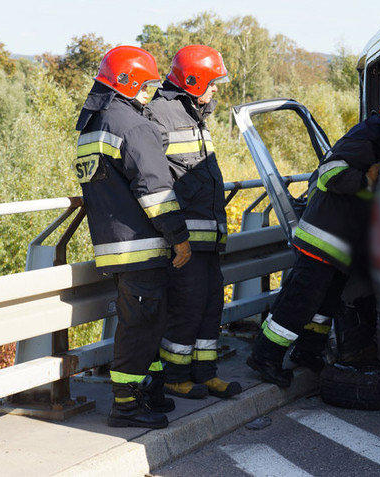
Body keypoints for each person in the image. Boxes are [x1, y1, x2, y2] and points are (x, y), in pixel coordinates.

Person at [74, 45, 192, 428]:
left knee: (147, 321)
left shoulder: (94, 124)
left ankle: (149, 390)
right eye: (146, 86)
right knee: (141, 325)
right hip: (141, 245)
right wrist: (178, 236)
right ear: (127, 83)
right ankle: (125, 405)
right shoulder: (133, 125)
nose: (149, 94)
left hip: (115, 244)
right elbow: (155, 189)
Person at [247, 104, 380, 387]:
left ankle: (307, 351)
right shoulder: (366, 137)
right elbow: (328, 173)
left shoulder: (379, 139)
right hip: (322, 241)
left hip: (338, 246)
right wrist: (366, 181)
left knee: (322, 306)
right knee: (298, 303)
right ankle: (266, 356)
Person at [145, 45, 242, 400]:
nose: (215, 89)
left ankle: (205, 373)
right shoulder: (159, 114)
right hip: (183, 240)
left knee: (209, 305)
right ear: (193, 80)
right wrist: (175, 235)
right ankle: (175, 376)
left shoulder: (195, 116)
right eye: (212, 82)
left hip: (207, 238)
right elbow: (154, 180)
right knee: (185, 308)